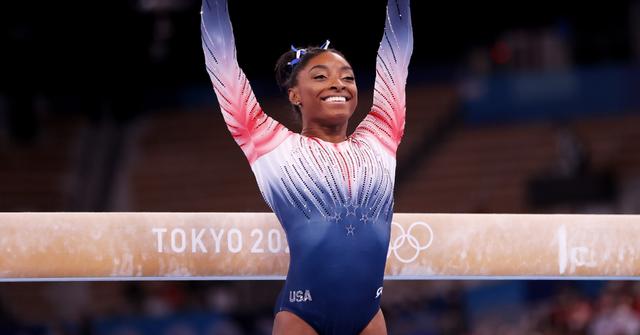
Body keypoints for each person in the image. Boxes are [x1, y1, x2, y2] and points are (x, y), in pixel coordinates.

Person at [201, 0, 412, 334]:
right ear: (295, 95)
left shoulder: (381, 136)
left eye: (347, 77)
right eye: (320, 76)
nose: (339, 84)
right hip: (303, 318)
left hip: (370, 317)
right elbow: (224, 66)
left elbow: (397, 57)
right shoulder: (272, 145)